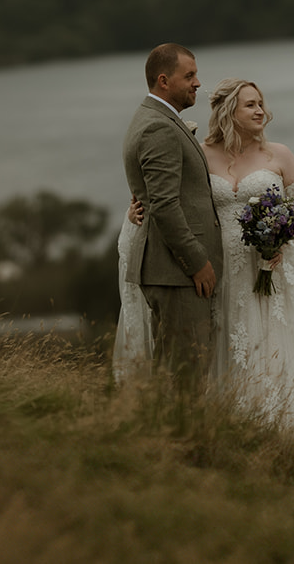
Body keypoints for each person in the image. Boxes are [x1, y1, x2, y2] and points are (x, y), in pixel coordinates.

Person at [116, 71, 294, 458]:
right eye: (251, 104)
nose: (261, 111)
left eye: (261, 104)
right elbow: (170, 198)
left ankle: (286, 439)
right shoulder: (200, 153)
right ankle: (225, 439)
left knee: (273, 346)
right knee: (219, 346)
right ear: (229, 111)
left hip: (268, 268)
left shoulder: (279, 155)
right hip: (218, 272)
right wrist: (137, 212)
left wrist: (283, 238)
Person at [117, 43, 222, 388]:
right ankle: (180, 440)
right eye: (189, 76)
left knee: (175, 369)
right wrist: (196, 262)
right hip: (175, 271)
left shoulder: (157, 119)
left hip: (171, 270)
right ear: (164, 81)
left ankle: (170, 437)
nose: (197, 83)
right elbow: (164, 205)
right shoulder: (158, 127)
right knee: (185, 374)